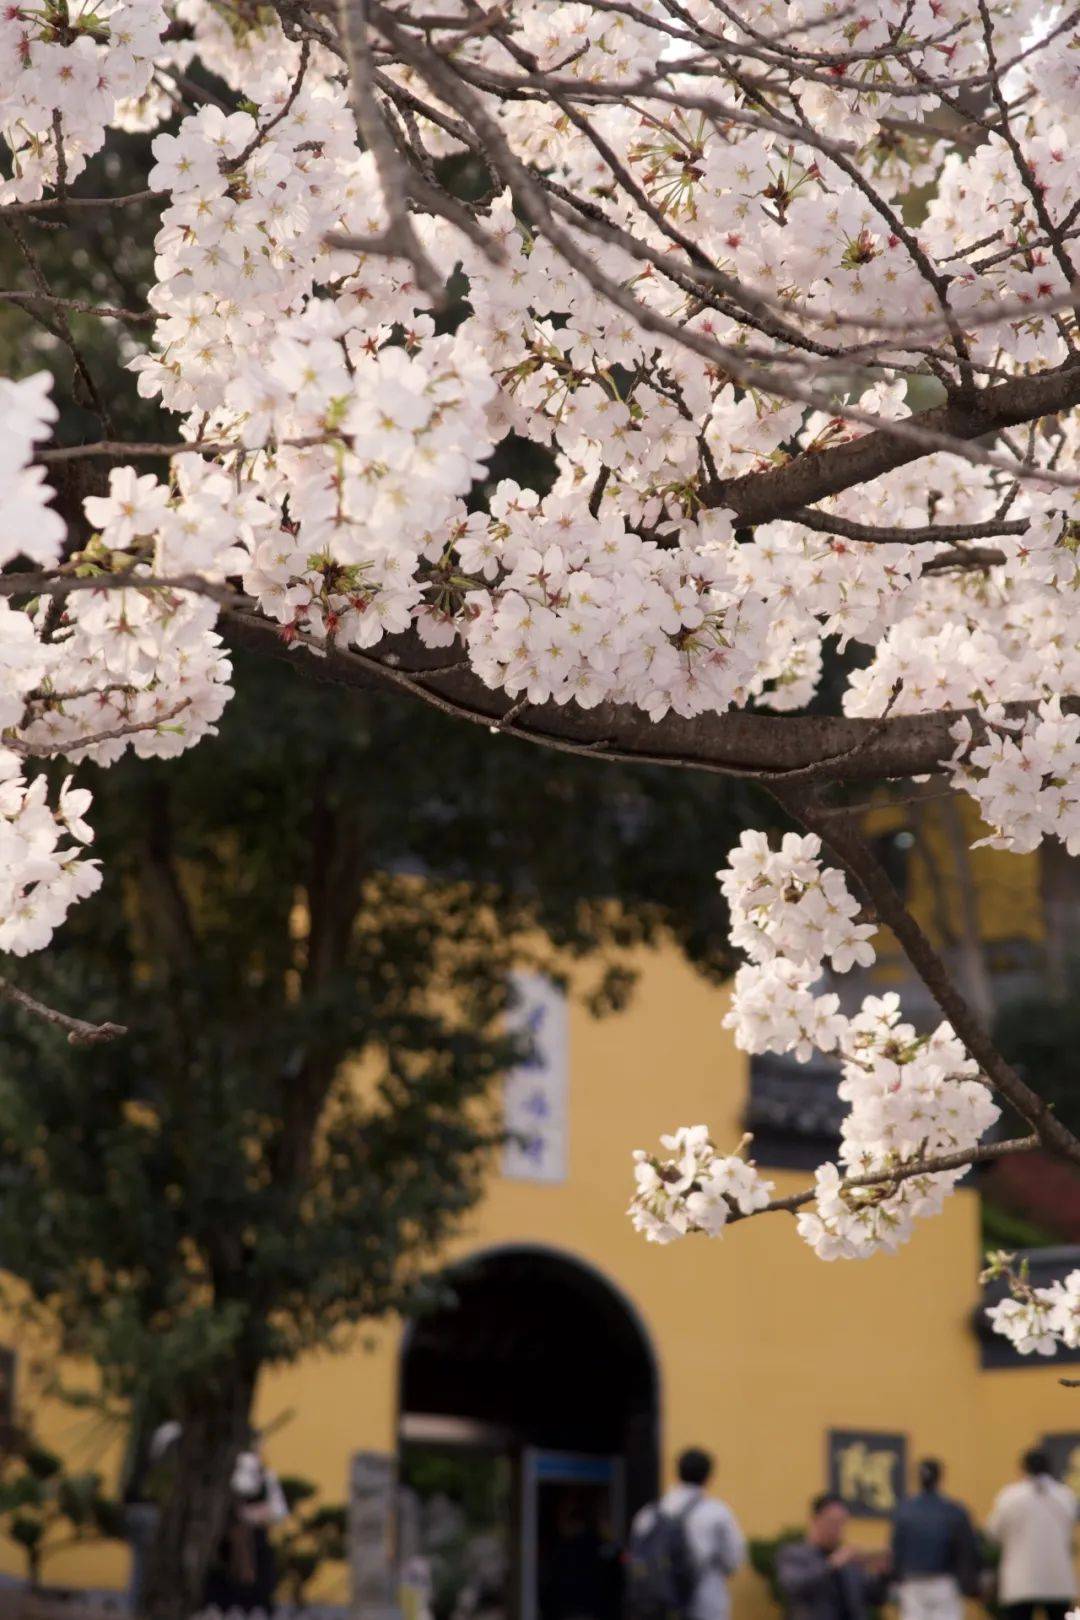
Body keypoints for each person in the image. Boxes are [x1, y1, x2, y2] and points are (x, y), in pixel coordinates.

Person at [627, 1446, 745, 1620]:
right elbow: (734, 1560)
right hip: (705, 1602)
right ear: (708, 1476)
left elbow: (636, 1553)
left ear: (677, 1472)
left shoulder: (649, 1513)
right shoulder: (717, 1512)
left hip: (657, 1603)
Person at [203, 1430, 290, 1614]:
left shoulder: (265, 1475)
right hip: (225, 1548)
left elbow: (279, 1511)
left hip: (257, 1546)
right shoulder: (227, 1472)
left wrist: (253, 1515)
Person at [987, 1448, 1078, 1620]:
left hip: (1020, 1581)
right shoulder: (1064, 1495)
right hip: (1057, 1578)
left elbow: (993, 1533)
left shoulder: (1010, 1496)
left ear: (1023, 1468)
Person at [891, 1458, 981, 1620]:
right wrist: (971, 1584)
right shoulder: (954, 1510)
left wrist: (896, 1579)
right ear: (940, 1478)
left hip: (912, 1583)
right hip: (944, 1583)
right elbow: (967, 1549)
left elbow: (896, 1550)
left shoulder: (904, 1510)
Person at [777, 1493, 889, 1620]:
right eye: (832, 1522)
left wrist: (882, 1576)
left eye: (842, 1523)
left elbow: (875, 1599)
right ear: (814, 1520)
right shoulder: (793, 1554)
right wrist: (832, 1564)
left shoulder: (848, 1561)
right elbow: (795, 1586)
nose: (838, 1529)